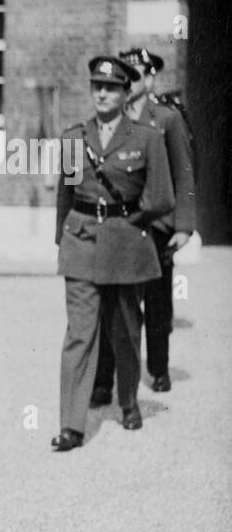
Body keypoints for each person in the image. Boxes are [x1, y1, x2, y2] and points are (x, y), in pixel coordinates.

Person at [51, 56, 174, 452]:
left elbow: (162, 197)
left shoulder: (147, 138)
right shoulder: (74, 139)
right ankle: (72, 425)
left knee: (124, 330)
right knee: (79, 334)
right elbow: (65, 195)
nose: (102, 93)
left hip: (125, 245)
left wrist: (130, 219)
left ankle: (127, 401)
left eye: (112, 88)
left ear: (125, 93)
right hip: (82, 242)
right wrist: (62, 241)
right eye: (96, 87)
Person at [90, 47, 195, 401]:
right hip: (121, 222)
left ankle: (159, 368)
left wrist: (183, 225)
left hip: (158, 224)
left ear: (149, 79)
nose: (130, 82)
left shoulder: (166, 118)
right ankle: (104, 379)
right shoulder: (109, 119)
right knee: (111, 301)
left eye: (136, 75)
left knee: (157, 299)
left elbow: (183, 172)